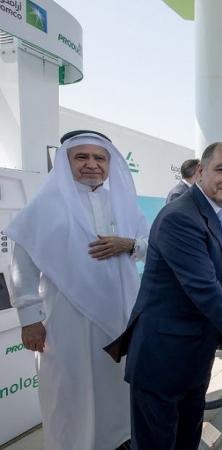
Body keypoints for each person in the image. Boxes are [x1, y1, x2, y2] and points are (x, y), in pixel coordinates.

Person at [105, 142, 222, 450]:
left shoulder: (213, 211)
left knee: (186, 441)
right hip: (162, 358)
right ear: (201, 171)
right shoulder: (180, 217)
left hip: (193, 355)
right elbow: (206, 290)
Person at [7, 130, 149, 450]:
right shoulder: (46, 205)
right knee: (69, 390)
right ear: (66, 161)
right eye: (81, 157)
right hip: (67, 319)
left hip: (120, 315)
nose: (91, 165)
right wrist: (29, 318)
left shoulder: (124, 204)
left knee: (116, 388)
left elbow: (153, 248)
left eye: (99, 158)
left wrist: (129, 245)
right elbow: (23, 264)